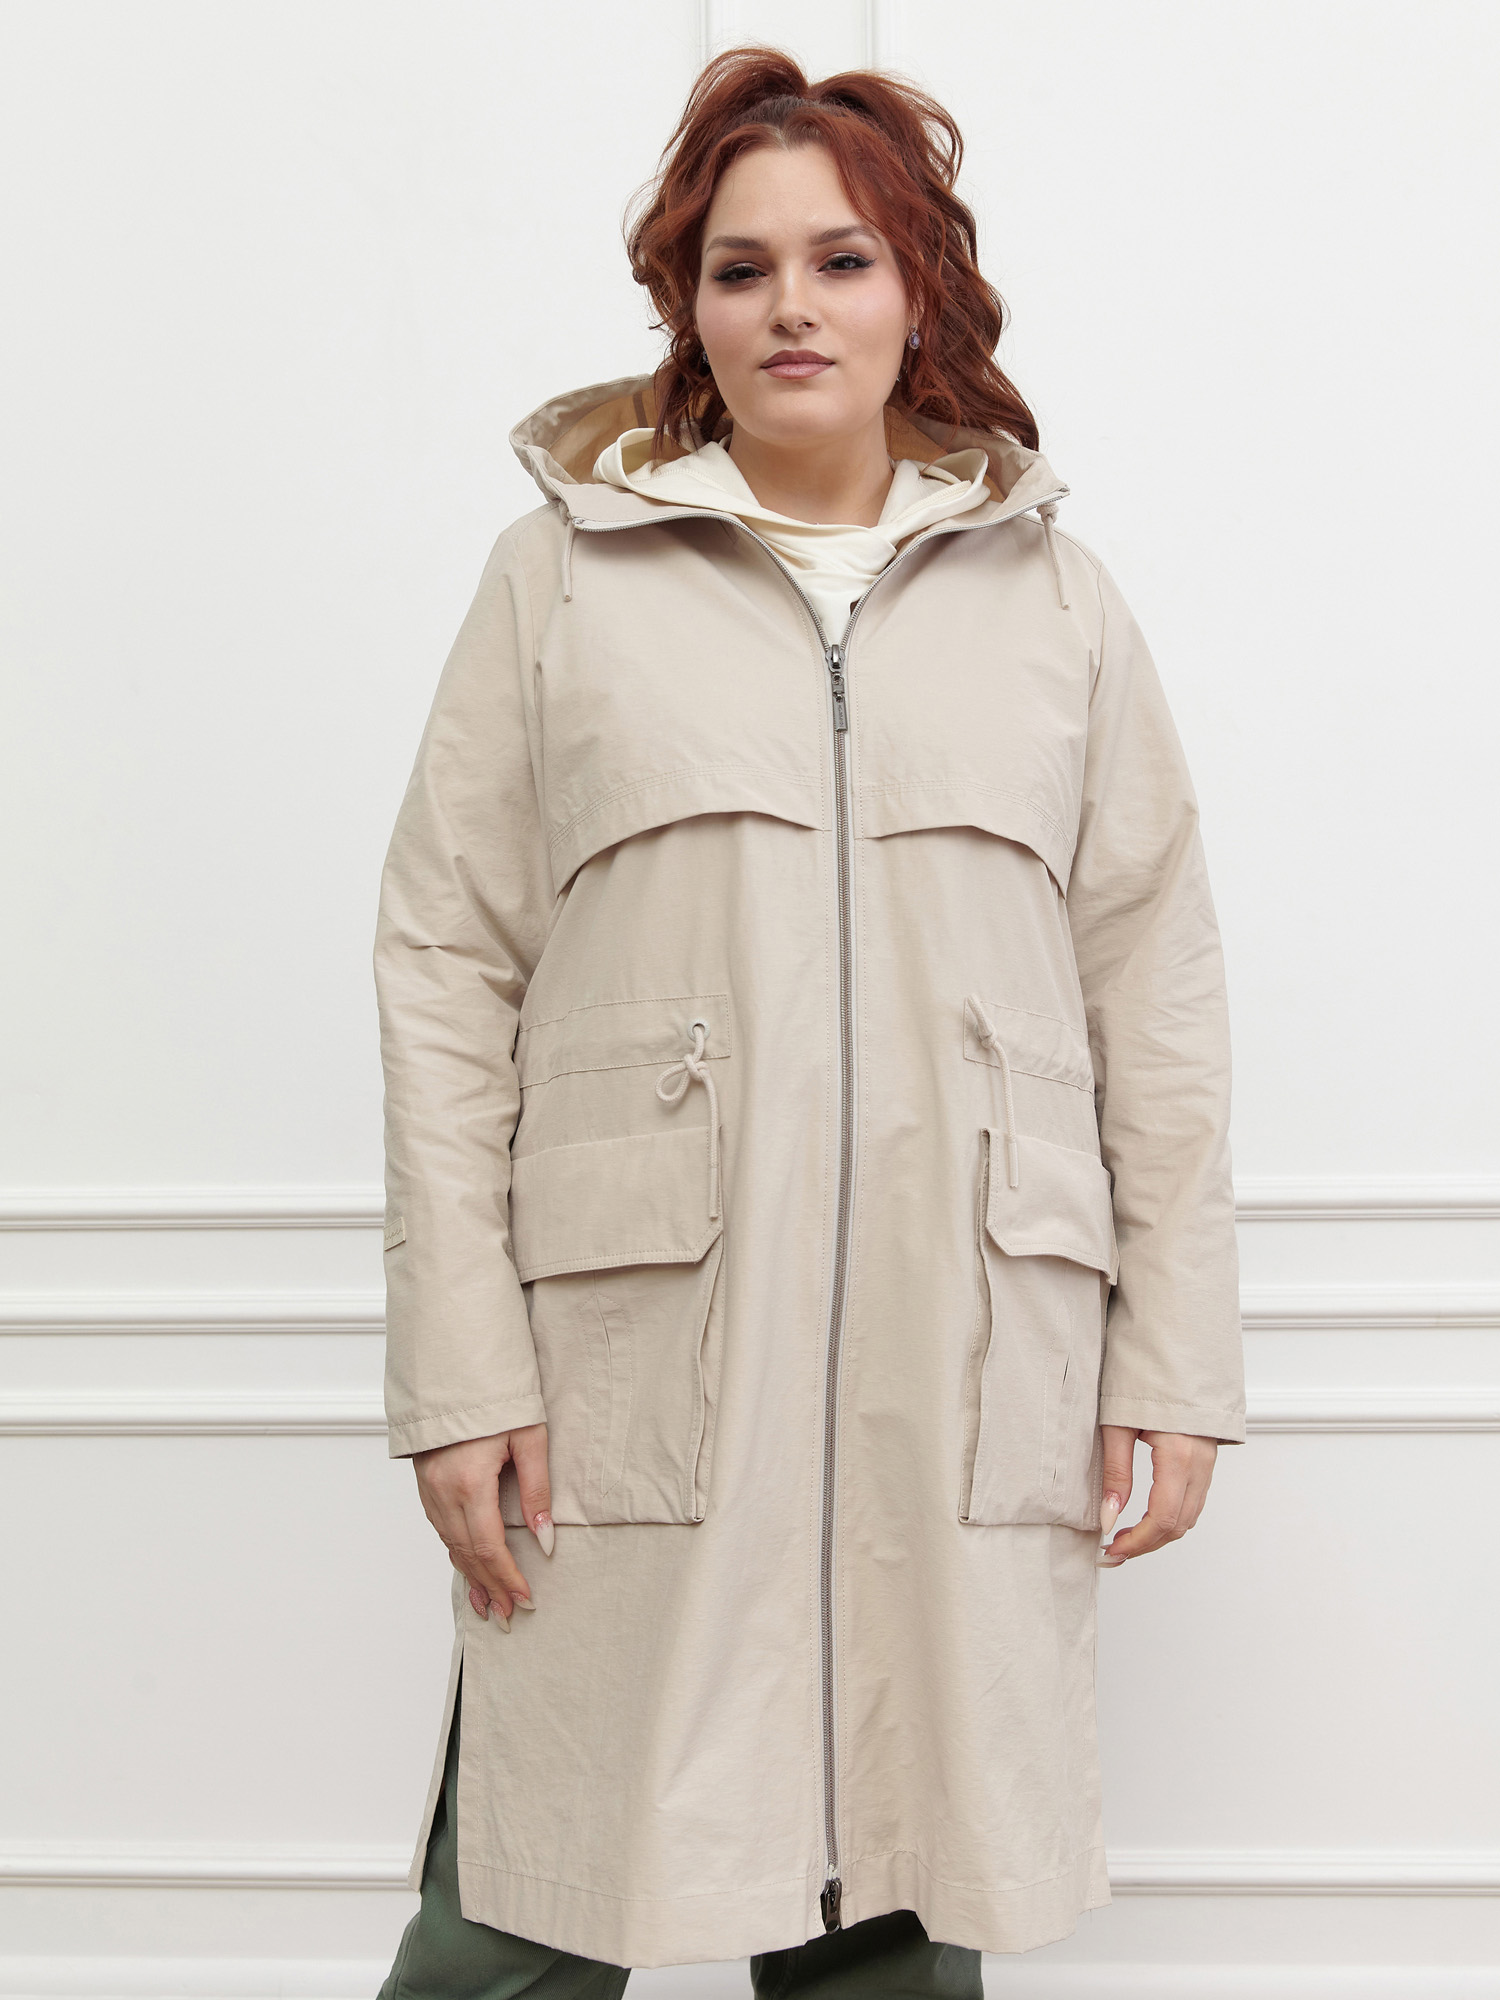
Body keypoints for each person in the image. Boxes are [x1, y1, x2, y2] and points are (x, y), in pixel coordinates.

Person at [372, 45, 1245, 1998]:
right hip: (639, 1360)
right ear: (685, 307)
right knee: (524, 1908)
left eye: (842, 260)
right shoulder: (561, 581)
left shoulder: (1057, 604)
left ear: (918, 288)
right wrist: (461, 1364)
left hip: (960, 1353)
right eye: (740, 267)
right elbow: (446, 963)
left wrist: (1175, 1357)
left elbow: (1155, 991)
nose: (792, 307)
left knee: (896, 1909)